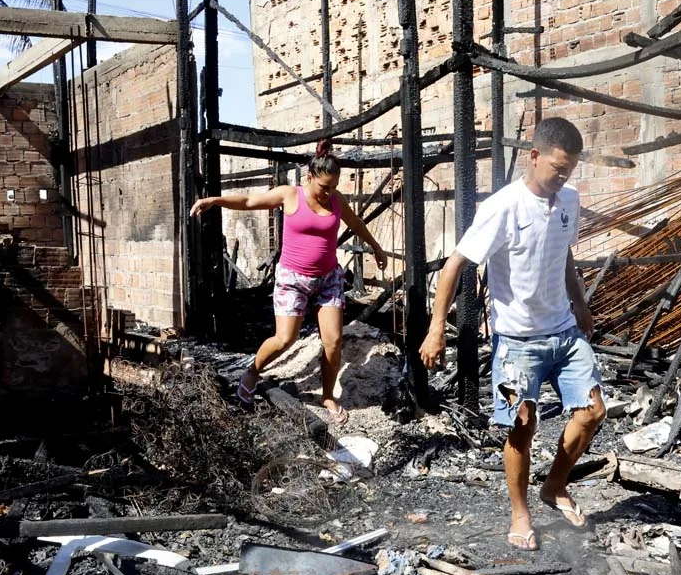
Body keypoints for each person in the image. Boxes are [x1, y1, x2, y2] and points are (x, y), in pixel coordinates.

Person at [420, 118, 605, 551]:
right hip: (515, 345)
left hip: (563, 332)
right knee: (521, 425)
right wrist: (435, 331)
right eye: (558, 168)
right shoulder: (502, 207)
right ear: (534, 156)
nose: (564, 177)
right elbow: (453, 266)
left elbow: (564, 254)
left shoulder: (568, 201)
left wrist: (579, 302)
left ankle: (555, 485)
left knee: (593, 411)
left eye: (570, 170)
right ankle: (520, 513)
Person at [191, 140, 388, 424]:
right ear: (309, 177)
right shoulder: (290, 195)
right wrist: (216, 200)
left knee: (333, 342)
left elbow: (355, 223)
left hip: (329, 278)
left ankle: (328, 395)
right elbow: (249, 202)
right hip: (292, 279)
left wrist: (376, 247)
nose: (328, 192)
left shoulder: (336, 200)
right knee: (285, 339)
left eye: (333, 186)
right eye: (324, 187)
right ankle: (253, 372)